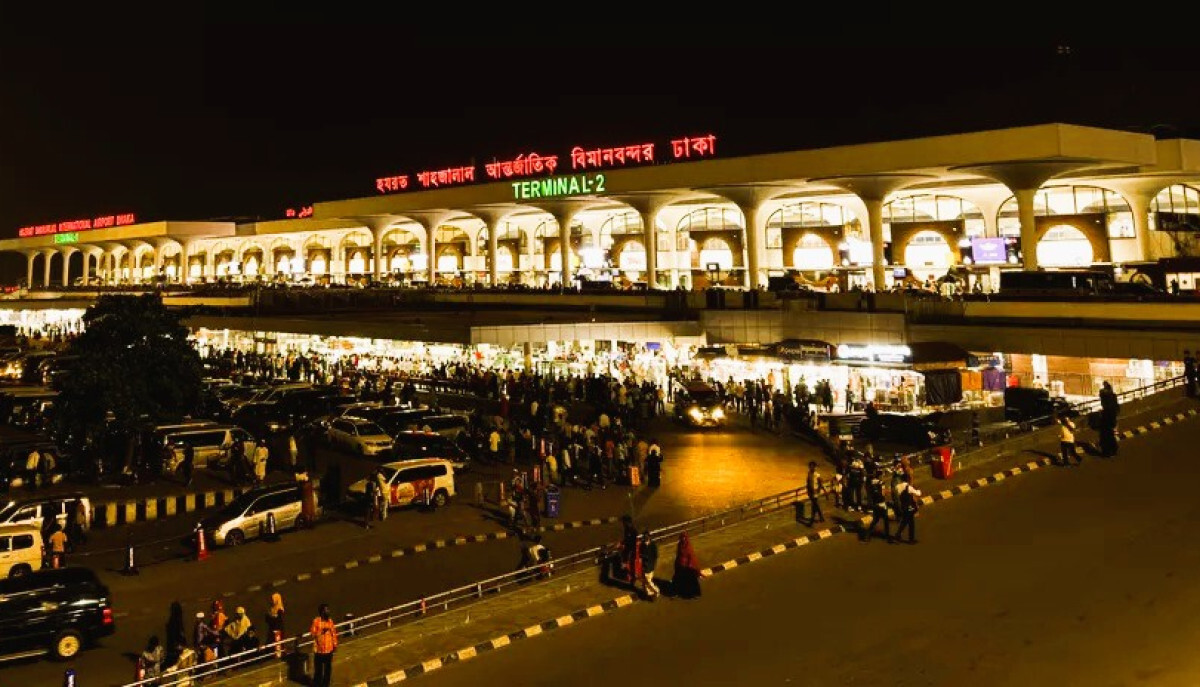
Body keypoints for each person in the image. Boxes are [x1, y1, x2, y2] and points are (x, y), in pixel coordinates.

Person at [860, 468, 892, 543]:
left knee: (875, 520)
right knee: (886, 520)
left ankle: (867, 536)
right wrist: (888, 491)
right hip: (882, 504)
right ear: (879, 476)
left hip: (875, 504)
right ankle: (887, 537)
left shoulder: (871, 483)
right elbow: (883, 494)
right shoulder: (881, 483)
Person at [310, 604, 338, 687]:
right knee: (318, 670)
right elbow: (313, 634)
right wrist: (321, 631)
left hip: (329, 649)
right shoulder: (316, 621)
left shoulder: (330, 621)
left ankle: (325, 685)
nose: (328, 611)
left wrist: (335, 645)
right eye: (326, 610)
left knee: (327, 670)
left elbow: (333, 633)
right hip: (319, 650)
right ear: (322, 612)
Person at [672, 531, 702, 599]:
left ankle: (696, 593)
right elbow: (678, 555)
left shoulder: (688, 546)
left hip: (687, 566)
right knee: (677, 579)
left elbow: (691, 556)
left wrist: (689, 566)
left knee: (692, 580)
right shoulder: (679, 545)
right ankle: (676, 592)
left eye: (684, 537)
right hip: (680, 565)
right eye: (682, 537)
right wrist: (676, 563)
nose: (683, 539)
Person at [893, 475, 921, 544]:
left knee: (904, 521)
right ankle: (911, 539)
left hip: (903, 506)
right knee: (911, 524)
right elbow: (918, 494)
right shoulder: (909, 487)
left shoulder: (897, 486)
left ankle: (897, 535)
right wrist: (918, 490)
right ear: (907, 479)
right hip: (910, 507)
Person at [1098, 381, 1120, 457]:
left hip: (1108, 422)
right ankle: (1112, 451)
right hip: (1111, 420)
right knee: (1110, 437)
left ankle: (1108, 452)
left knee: (1106, 437)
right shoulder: (1113, 396)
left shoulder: (1107, 400)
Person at [638, 530, 660, 600]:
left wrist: (652, 562)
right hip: (645, 565)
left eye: (646, 537)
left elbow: (656, 555)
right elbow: (640, 554)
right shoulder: (642, 545)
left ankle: (656, 590)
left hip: (650, 566)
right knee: (645, 581)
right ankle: (649, 593)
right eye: (644, 537)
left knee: (648, 581)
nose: (645, 538)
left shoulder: (653, 545)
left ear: (649, 537)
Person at [266, 592, 286, 658]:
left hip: (278, 630)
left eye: (273, 599)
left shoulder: (280, 609)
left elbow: (278, 621)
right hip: (272, 629)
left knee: (278, 643)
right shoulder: (272, 608)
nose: (272, 601)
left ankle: (279, 655)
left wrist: (272, 617)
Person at [805, 461, 825, 525]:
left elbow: (820, 483)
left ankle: (812, 520)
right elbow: (808, 482)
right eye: (810, 466)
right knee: (815, 505)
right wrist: (808, 490)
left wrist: (818, 491)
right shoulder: (809, 473)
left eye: (813, 466)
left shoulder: (817, 475)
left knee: (814, 505)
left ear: (815, 467)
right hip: (811, 492)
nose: (811, 468)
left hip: (815, 492)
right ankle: (821, 517)